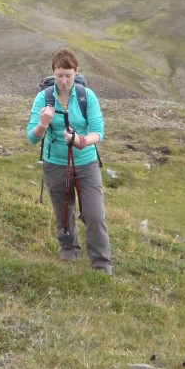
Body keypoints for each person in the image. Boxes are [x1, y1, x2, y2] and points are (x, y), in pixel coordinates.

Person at [27, 47, 112, 275]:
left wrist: (81, 140)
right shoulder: (43, 98)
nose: (63, 81)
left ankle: (102, 263)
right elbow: (32, 138)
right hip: (55, 164)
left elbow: (99, 132)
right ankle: (68, 249)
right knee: (64, 211)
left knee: (94, 214)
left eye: (68, 75)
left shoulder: (87, 96)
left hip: (86, 163)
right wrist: (43, 123)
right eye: (59, 75)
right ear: (53, 73)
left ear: (76, 72)